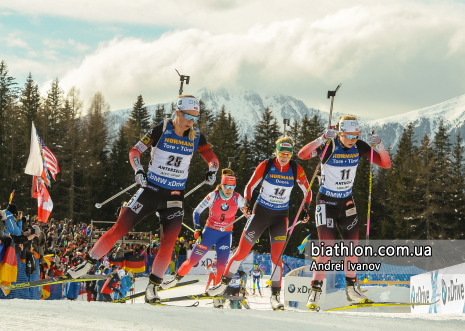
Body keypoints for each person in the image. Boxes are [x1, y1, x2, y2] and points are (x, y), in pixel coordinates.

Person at [67, 95, 219, 304]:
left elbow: (212, 158)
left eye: (195, 118)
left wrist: (212, 170)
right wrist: (138, 169)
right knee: (120, 228)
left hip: (174, 196)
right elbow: (134, 151)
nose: (191, 122)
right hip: (151, 190)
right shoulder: (162, 129)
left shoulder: (196, 136)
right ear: (177, 112)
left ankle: (153, 287)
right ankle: (86, 264)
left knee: (169, 242)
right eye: (187, 116)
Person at [207, 137, 312, 311]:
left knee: (276, 258)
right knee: (241, 252)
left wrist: (306, 209)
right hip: (260, 213)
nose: (284, 157)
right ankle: (222, 285)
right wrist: (247, 203)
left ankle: (275, 296)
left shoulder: (296, 169)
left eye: (288, 154)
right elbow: (249, 186)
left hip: (280, 216)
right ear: (276, 152)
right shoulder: (266, 165)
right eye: (281, 153)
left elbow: (307, 191)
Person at [298, 115, 391, 310]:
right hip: (326, 202)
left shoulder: (360, 146)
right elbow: (303, 155)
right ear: (340, 133)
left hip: (347, 202)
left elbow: (385, 164)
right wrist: (321, 139)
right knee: (328, 247)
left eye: (356, 135)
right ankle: (315, 291)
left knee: (352, 247)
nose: (353, 140)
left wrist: (380, 145)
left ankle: (351, 288)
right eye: (349, 136)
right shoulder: (329, 146)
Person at [161, 169, 246, 307]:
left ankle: (217, 296)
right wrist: (197, 228)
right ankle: (175, 279)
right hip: (209, 233)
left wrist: (249, 213)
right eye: (226, 186)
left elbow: (248, 213)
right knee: (192, 260)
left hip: (226, 235)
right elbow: (197, 211)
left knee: (221, 266)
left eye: (232, 187)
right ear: (221, 184)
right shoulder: (213, 196)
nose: (229, 190)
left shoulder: (238, 198)